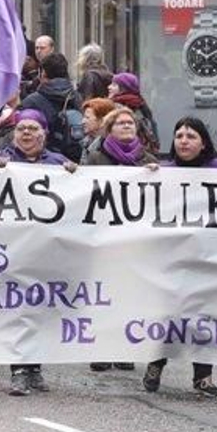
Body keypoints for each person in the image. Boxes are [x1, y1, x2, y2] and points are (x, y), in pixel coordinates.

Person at [144, 117, 217, 398]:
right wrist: (147, 177)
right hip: (171, 260)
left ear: (203, 143)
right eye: (179, 136)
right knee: (168, 317)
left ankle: (203, 377)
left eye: (190, 136)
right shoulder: (163, 171)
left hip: (209, 259)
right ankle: (155, 366)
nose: (184, 141)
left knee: (205, 317)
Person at [0, 109, 77, 397]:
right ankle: (18, 370)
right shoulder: (0, 161)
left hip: (45, 252)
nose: (26, 133)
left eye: (32, 129)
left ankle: (35, 368)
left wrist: (74, 175)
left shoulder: (58, 163)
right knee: (17, 311)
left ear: (44, 133)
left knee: (40, 311)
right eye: (21, 129)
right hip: (12, 251)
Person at [79, 105, 156, 374]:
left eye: (130, 123)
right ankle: (101, 349)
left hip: (134, 238)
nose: (127, 126)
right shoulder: (96, 157)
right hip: (103, 237)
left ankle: (124, 348)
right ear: (109, 128)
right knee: (103, 295)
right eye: (120, 123)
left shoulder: (147, 160)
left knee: (129, 294)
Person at [21, 52, 83, 162]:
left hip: (43, 162)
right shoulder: (77, 97)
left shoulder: (32, 102)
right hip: (75, 159)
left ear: (43, 73)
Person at [108, 72, 158, 150]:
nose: (109, 87)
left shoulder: (116, 107)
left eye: (114, 85)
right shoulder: (141, 103)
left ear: (124, 88)